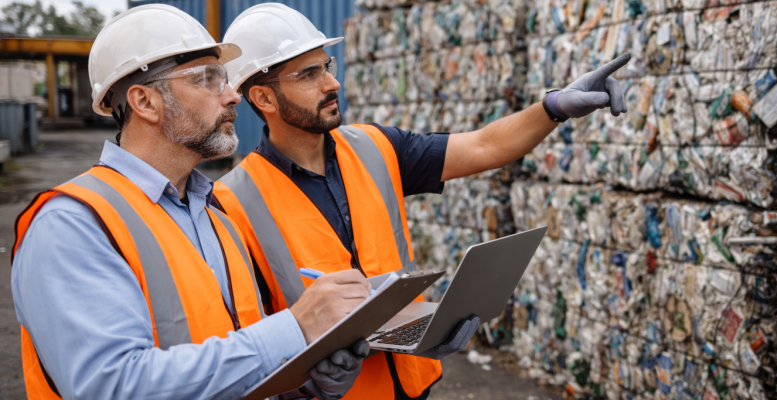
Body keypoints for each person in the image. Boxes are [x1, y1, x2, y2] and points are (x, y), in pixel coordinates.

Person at [212, 4, 630, 400]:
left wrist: (553, 107)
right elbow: (244, 333)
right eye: (308, 74)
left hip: (415, 385)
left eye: (328, 66)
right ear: (263, 99)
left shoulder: (378, 147)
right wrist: (298, 388)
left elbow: (485, 146)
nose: (332, 83)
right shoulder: (231, 202)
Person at [12, 5, 369, 400]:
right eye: (208, 79)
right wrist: (295, 328)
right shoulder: (72, 224)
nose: (233, 95)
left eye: (225, 79)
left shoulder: (215, 215)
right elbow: (112, 386)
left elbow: (240, 360)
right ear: (145, 102)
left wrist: (308, 378)